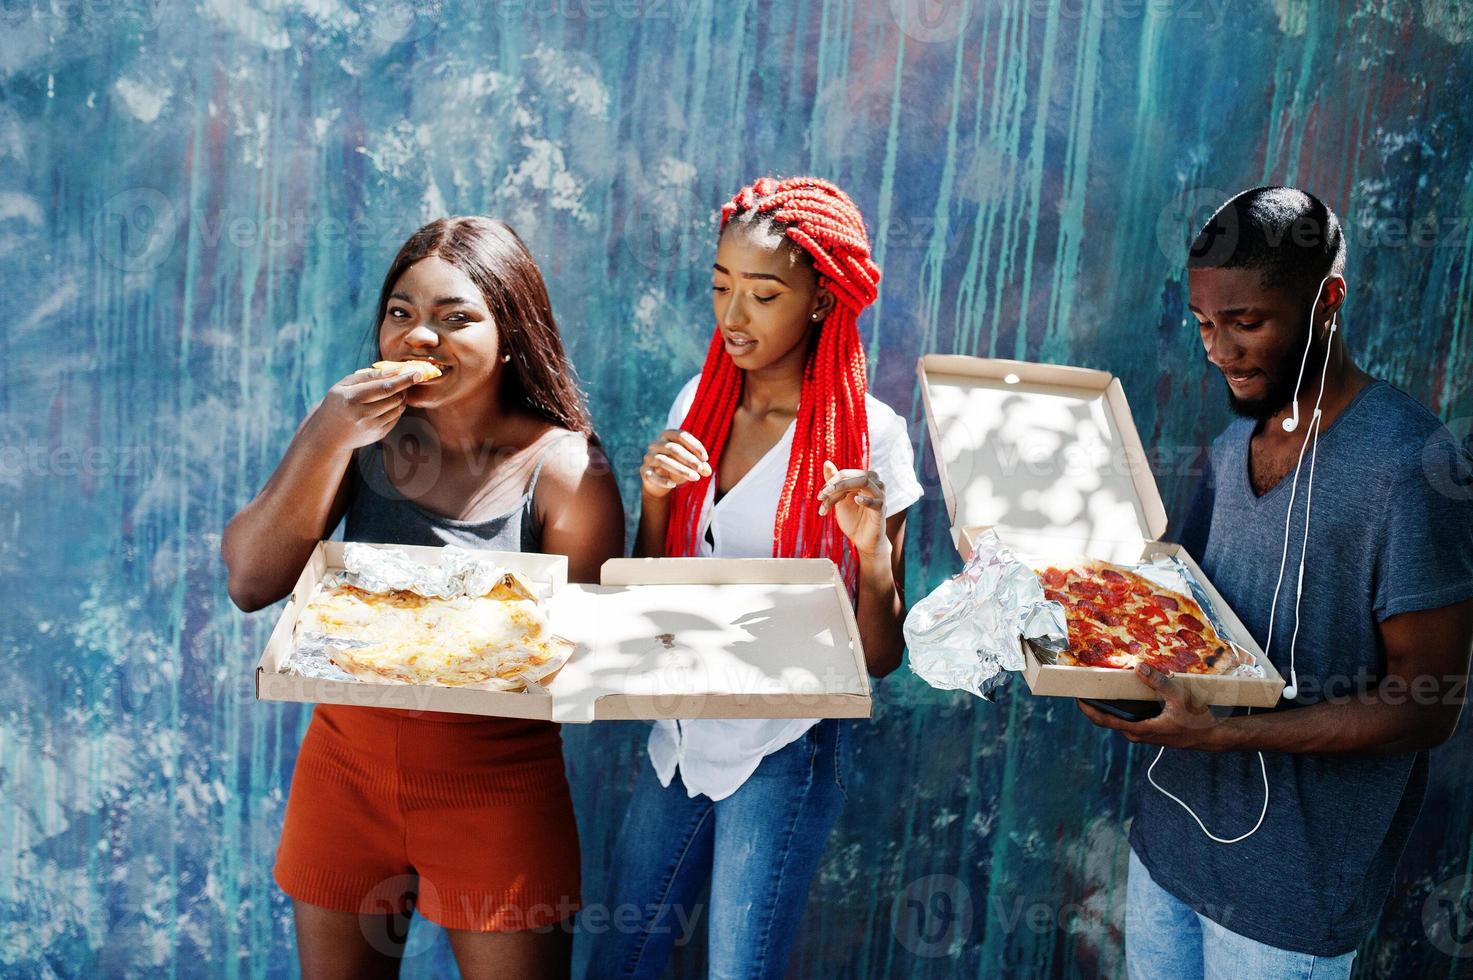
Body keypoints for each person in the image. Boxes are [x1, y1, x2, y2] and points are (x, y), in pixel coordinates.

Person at [1077, 186, 1473, 979]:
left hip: (1285, 908)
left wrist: (1227, 733)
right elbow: (1183, 613)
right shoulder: (1229, 449)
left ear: (1326, 300)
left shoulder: (1410, 467)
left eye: (1246, 323)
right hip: (1166, 850)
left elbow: (1426, 706)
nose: (1219, 351)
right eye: (1203, 325)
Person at [222, 216, 624, 980]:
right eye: (401, 312)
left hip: (496, 792)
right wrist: (323, 436)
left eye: (455, 317)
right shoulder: (356, 433)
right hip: (342, 779)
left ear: (513, 333)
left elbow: (589, 667)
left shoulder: (568, 468)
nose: (419, 338)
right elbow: (250, 581)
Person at [585, 176, 924, 979]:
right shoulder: (696, 400)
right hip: (679, 727)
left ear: (818, 300)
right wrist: (654, 496)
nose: (732, 316)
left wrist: (870, 553)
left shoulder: (869, 439)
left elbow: (877, 659)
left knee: (739, 969)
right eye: (719, 286)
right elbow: (647, 594)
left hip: (785, 744)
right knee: (620, 959)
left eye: (762, 294)